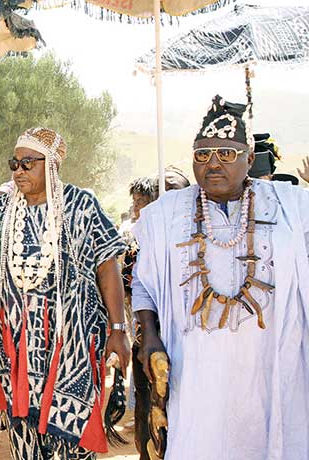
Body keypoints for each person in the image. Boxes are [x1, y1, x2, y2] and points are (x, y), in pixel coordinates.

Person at [132, 95, 309, 460]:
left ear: (249, 157)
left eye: (226, 154)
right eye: (202, 155)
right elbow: (144, 285)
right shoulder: (164, 215)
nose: (213, 164)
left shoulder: (292, 206)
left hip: (272, 365)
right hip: (195, 370)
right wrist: (149, 337)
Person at [0, 128, 130, 460]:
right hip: (15, 349)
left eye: (28, 163)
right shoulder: (3, 210)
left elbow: (107, 264)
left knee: (72, 441)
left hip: (70, 346)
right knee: (23, 436)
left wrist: (117, 329)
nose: (18, 171)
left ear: (52, 164)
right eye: (14, 163)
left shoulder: (80, 204)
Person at [121, 171, 189, 460]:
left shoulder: (195, 236)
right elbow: (131, 283)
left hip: (188, 344)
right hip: (148, 341)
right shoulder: (138, 240)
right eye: (136, 200)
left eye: (174, 190)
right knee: (148, 412)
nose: (139, 205)